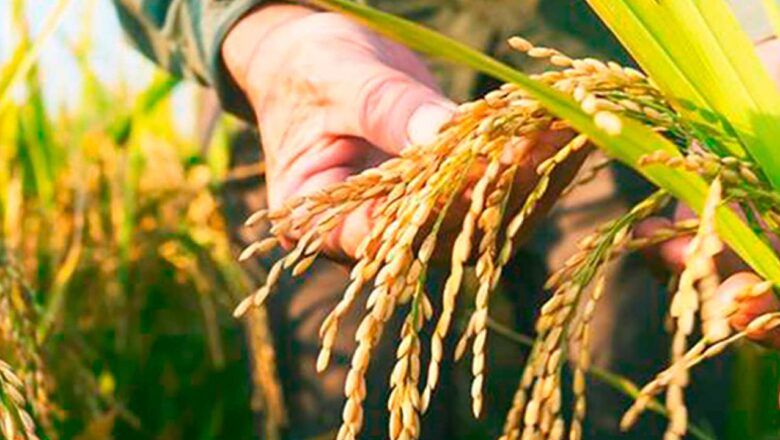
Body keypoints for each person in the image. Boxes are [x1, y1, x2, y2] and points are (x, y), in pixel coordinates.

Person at [112, 1, 780, 438]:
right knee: (350, 409)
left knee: (622, 408)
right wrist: (263, 34)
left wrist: (754, 74)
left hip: (611, 99)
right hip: (328, 116)